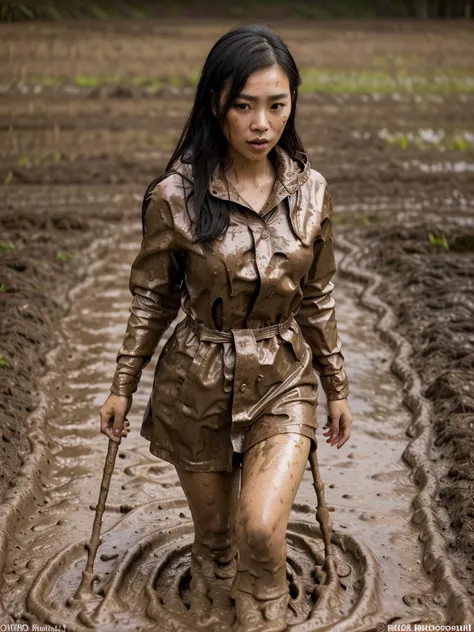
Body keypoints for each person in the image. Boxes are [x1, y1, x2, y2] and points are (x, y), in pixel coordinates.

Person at [99, 22, 353, 632]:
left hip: (282, 375)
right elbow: (152, 300)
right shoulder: (175, 197)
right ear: (217, 104)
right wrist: (121, 386)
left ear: (292, 104)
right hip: (196, 380)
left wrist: (336, 384)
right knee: (214, 545)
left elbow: (316, 295)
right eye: (244, 106)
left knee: (262, 531)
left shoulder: (312, 192)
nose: (261, 123)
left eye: (276, 104)